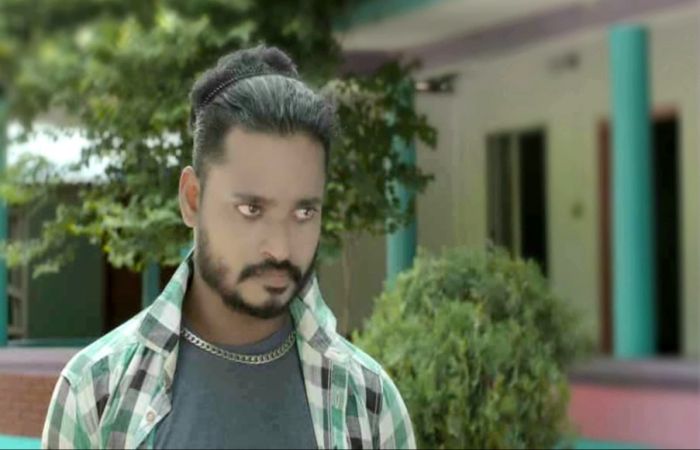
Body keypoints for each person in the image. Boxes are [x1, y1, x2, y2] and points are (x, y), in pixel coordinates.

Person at [41, 45, 415, 449]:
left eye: (304, 212)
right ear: (192, 199)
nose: (280, 248)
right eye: (251, 209)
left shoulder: (369, 401)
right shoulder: (97, 391)